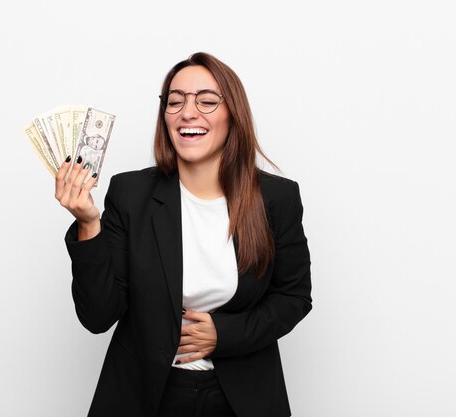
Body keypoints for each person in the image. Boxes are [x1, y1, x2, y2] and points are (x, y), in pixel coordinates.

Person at [54, 52, 312, 417]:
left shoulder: (277, 198)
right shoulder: (130, 194)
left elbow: (294, 297)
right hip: (146, 395)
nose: (188, 112)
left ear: (233, 114)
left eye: (206, 101)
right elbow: (97, 316)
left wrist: (224, 334)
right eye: (175, 102)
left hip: (242, 397)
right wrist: (88, 224)